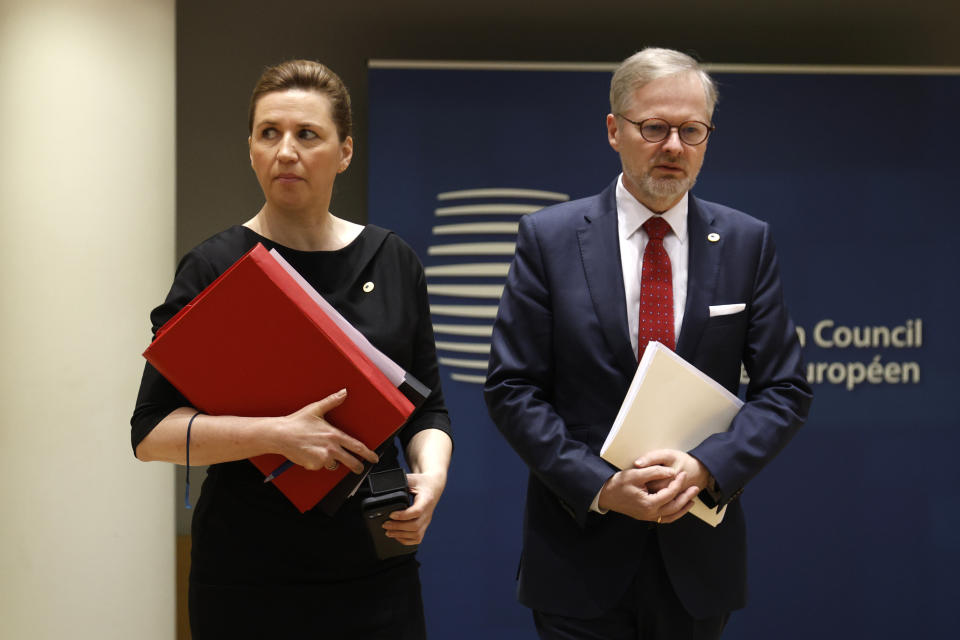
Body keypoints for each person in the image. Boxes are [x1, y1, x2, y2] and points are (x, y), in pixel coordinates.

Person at [484, 47, 812, 639]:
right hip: (578, 556)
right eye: (654, 128)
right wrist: (601, 486)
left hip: (696, 559)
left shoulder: (746, 242)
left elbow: (785, 390)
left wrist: (708, 466)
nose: (673, 147)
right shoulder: (549, 239)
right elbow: (513, 388)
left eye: (692, 130)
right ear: (615, 130)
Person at [131, 59, 452, 639]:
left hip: (375, 568)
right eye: (269, 133)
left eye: (307, 135)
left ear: (345, 151)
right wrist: (277, 436)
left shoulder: (394, 259)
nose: (286, 151)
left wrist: (431, 479)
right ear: (250, 148)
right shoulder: (214, 267)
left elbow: (426, 409)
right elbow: (151, 435)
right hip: (247, 575)